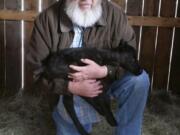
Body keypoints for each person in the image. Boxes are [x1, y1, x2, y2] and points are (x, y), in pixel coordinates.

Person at [27, 0, 150, 135]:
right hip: (68, 86)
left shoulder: (115, 14)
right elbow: (36, 72)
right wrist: (69, 87)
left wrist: (105, 71)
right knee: (72, 119)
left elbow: (129, 56)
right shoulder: (47, 20)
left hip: (108, 78)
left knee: (139, 80)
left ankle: (128, 131)